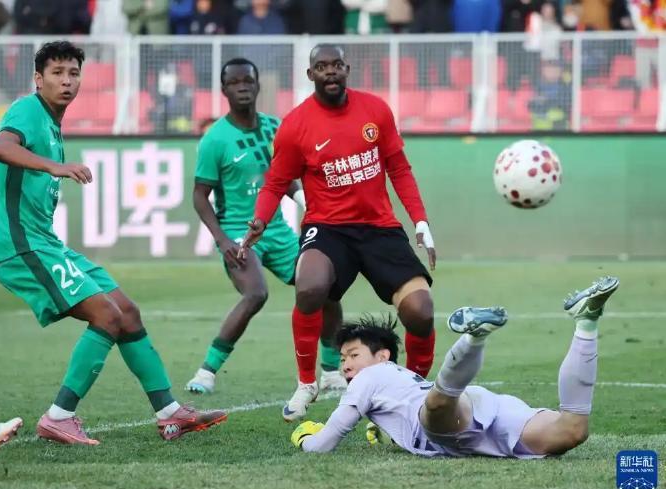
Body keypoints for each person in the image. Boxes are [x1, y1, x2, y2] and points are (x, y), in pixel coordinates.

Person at [0, 41, 226, 446]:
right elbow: (0, 147)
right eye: (57, 73)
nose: (67, 81)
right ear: (38, 79)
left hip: (47, 243)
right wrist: (55, 167)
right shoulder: (28, 110)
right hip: (22, 246)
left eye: (73, 73)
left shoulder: (50, 121)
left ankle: (169, 412)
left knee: (127, 311)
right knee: (107, 316)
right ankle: (59, 417)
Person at [239, 44, 438, 422]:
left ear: (347, 69)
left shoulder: (375, 110)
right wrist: (260, 221)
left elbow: (398, 168)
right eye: (321, 66)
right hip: (327, 228)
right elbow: (276, 182)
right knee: (309, 287)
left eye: (336, 65)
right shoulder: (296, 125)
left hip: (379, 228)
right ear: (310, 75)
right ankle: (306, 383)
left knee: (421, 311)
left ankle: (412, 393)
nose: (329, 71)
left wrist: (420, 221)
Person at [290, 277, 619, 458]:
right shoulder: (396, 378)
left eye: (353, 355)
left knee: (438, 406)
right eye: (343, 359)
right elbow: (394, 416)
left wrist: (304, 437)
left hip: (443, 418)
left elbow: (325, 443)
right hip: (486, 412)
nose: (346, 365)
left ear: (382, 356)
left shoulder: (370, 377)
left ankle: (474, 338)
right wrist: (385, 433)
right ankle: (586, 322)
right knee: (572, 430)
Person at [186, 57, 347, 397]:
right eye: (234, 82)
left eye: (248, 80)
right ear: (224, 90)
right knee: (256, 294)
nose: (242, 87)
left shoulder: (276, 127)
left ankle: (332, 372)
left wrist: (303, 199)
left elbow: (283, 177)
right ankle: (207, 371)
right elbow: (200, 196)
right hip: (239, 233)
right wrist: (222, 240)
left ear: (258, 85)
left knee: (327, 288)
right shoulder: (215, 139)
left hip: (277, 231)